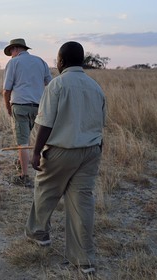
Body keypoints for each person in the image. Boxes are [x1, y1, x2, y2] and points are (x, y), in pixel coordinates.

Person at [25, 41, 105, 275]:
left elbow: (45, 123)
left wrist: (36, 151)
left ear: (60, 61)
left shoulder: (57, 85)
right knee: (82, 203)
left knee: (46, 189)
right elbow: (100, 124)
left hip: (62, 150)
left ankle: (38, 233)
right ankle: (84, 260)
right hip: (91, 151)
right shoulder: (95, 86)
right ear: (82, 61)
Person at [2, 38, 52, 188]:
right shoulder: (41, 61)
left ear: (15, 49)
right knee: (26, 137)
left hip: (20, 106)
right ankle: (22, 162)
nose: (11, 54)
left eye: (11, 51)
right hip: (38, 107)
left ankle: (24, 176)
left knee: (22, 142)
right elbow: (50, 84)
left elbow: (6, 90)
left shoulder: (13, 63)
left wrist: (8, 108)